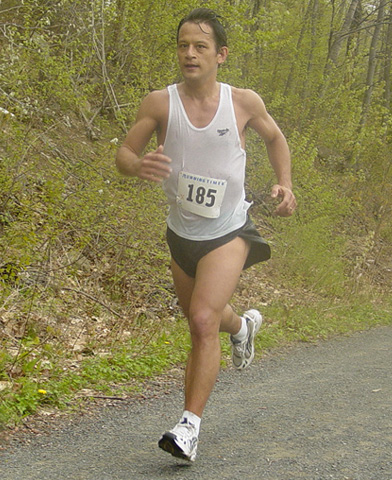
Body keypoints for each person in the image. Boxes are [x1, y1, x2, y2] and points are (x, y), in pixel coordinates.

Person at [115, 7, 296, 462]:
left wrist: (285, 183)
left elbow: (275, 139)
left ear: (221, 55)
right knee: (206, 318)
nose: (190, 54)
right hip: (181, 232)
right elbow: (124, 152)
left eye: (200, 46)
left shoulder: (243, 102)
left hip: (228, 229)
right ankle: (243, 326)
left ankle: (188, 427)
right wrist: (138, 165)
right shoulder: (159, 103)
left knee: (200, 321)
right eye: (183, 46)